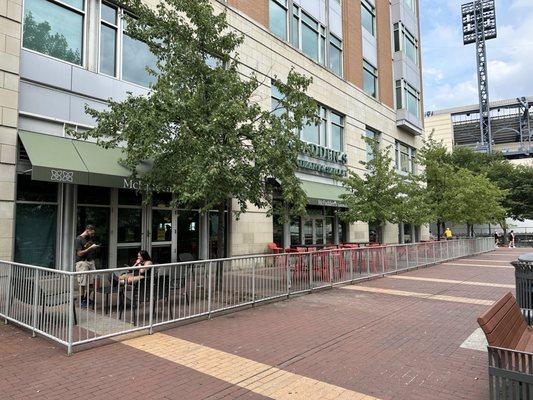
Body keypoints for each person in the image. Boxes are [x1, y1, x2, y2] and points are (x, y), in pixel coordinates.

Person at [74, 225, 100, 308]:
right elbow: (79, 253)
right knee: (83, 283)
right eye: (92, 233)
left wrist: (94, 247)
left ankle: (86, 299)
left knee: (92, 282)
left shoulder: (88, 239)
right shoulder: (78, 239)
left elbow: (89, 248)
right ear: (88, 230)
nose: (93, 235)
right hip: (82, 263)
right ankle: (82, 301)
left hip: (90, 262)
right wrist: (90, 249)